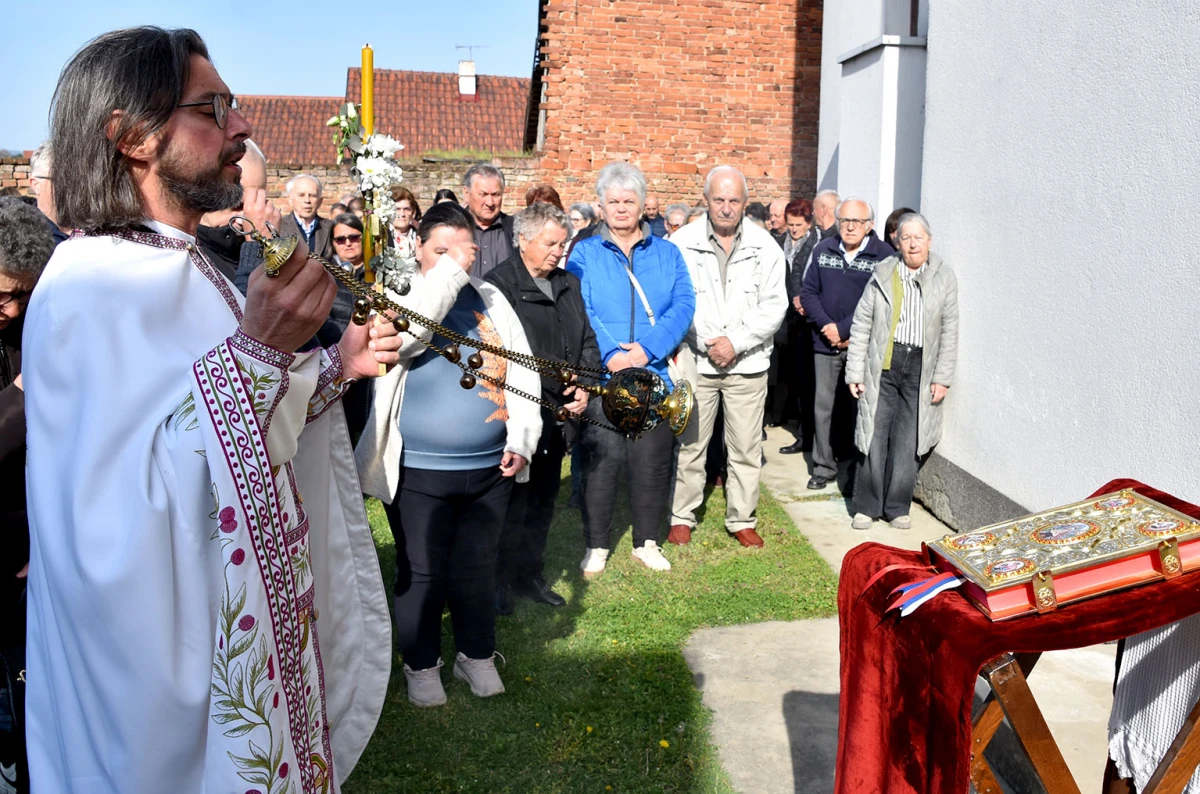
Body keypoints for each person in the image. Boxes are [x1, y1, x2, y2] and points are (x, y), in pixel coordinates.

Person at [24, 27, 402, 792]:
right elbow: (112, 524)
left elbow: (238, 427)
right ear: (130, 137)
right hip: (155, 702)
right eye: (213, 108)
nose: (242, 126)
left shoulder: (189, 265)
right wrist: (261, 350)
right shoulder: (87, 288)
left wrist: (333, 365)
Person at [355, 202, 540, 707]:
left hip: (488, 469)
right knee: (423, 570)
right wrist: (449, 274)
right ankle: (421, 663)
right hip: (418, 470)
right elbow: (408, 339)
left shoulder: (493, 299)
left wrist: (522, 439)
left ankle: (476, 655)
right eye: (441, 251)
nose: (456, 264)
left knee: (477, 565)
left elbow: (523, 370)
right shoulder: (397, 293)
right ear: (418, 248)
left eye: (463, 254)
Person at [566, 162, 695, 576]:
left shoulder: (667, 252)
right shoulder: (584, 252)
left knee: (651, 463)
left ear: (643, 206)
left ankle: (647, 541)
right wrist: (610, 355)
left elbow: (684, 304)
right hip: (605, 380)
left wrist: (646, 351)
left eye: (630, 201)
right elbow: (579, 306)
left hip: (653, 375)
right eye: (614, 201)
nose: (622, 208)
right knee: (603, 462)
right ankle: (597, 544)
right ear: (600, 207)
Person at [484, 203, 599, 613]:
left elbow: (586, 339)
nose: (558, 251)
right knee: (512, 501)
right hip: (521, 414)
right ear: (524, 239)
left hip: (561, 414)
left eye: (562, 243)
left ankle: (529, 573)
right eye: (550, 243)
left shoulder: (569, 282)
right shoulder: (497, 288)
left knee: (544, 498)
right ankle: (498, 580)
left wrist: (585, 384)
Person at [667, 166, 786, 549]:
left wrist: (734, 342)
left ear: (745, 203)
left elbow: (774, 306)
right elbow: (676, 301)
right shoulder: (681, 243)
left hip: (747, 363)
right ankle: (682, 515)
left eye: (734, 200)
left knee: (746, 448)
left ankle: (741, 519)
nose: (726, 207)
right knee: (691, 444)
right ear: (705, 200)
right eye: (718, 199)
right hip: (697, 361)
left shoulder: (766, 245)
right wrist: (707, 342)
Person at [845, 212, 956, 530]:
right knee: (873, 433)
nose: (912, 244)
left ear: (929, 241)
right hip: (884, 363)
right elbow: (862, 321)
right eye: (906, 238)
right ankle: (867, 505)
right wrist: (855, 371)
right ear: (897, 241)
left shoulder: (943, 276)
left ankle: (897, 506)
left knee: (909, 438)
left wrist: (942, 377)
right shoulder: (883, 272)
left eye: (918, 238)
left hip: (921, 366)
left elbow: (950, 329)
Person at [0, 199, 56, 794]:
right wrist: (20, 393)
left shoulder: (25, 326)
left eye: (22, 295)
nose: (11, 311)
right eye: (1, 296)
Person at [799, 198, 893, 491]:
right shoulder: (822, 249)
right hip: (824, 343)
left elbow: (878, 301)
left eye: (858, 221)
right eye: (845, 221)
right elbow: (809, 292)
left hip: (861, 346)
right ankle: (823, 467)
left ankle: (855, 472)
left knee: (858, 409)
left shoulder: (884, 256)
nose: (850, 227)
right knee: (823, 407)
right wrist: (828, 328)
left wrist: (843, 329)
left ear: (870, 225)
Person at [197, 139, 276, 282]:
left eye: (256, 205)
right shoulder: (184, 261)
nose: (245, 219)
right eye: (237, 206)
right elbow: (251, 303)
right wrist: (258, 247)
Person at [779, 198, 820, 455]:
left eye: (798, 225)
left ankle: (808, 435)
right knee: (792, 377)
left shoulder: (816, 244)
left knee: (807, 381)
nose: (793, 229)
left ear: (809, 222)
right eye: (790, 224)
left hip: (806, 319)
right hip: (786, 319)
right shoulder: (780, 243)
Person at [462, 163, 515, 278]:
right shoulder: (453, 228)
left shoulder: (515, 229)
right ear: (467, 194)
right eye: (483, 194)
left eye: (496, 195)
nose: (490, 202)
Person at [279, 173, 334, 260]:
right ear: (290, 199)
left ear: (320, 201)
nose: (307, 200)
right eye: (301, 195)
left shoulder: (331, 227)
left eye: (312, 195)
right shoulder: (279, 227)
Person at [26, 143, 67, 244]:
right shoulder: (25, 236)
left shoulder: (91, 230)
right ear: (35, 184)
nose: (67, 186)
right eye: (58, 180)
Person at [391, 185, 422, 264]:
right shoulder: (381, 237)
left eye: (406, 209)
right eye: (397, 209)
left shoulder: (421, 234)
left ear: (413, 212)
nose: (402, 214)